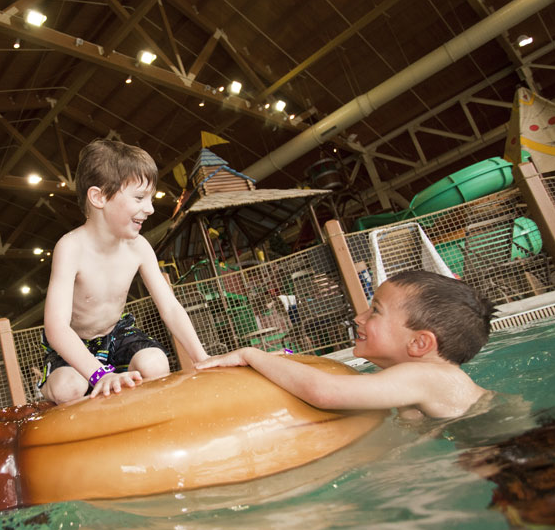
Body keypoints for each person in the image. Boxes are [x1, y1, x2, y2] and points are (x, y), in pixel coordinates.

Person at [41, 139, 210, 403]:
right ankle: (51, 387)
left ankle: (135, 403)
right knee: (68, 388)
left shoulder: (138, 247)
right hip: (74, 344)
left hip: (117, 334)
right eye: (140, 197)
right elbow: (56, 327)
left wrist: (202, 358)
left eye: (151, 198)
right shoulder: (71, 247)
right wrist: (99, 374)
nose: (151, 208)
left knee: (155, 363)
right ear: (98, 197)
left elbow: (170, 308)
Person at [197, 270, 494, 419]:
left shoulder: (426, 376)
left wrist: (252, 354)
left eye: (375, 311)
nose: (358, 317)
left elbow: (325, 393)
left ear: (419, 343)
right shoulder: (427, 382)